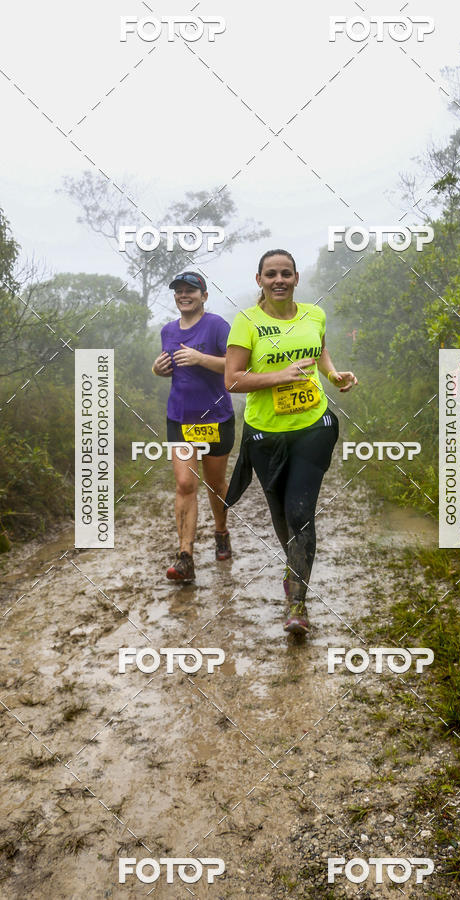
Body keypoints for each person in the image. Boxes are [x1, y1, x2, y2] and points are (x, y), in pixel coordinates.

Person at [224, 249, 357, 635]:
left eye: (285, 273)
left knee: (301, 513)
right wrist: (278, 377)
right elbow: (232, 379)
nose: (278, 280)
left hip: (313, 427)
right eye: (271, 274)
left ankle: (297, 603)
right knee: (281, 515)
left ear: (296, 278)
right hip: (265, 435)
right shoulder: (246, 321)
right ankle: (293, 566)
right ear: (259, 280)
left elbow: (321, 350)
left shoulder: (313, 314)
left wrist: (333, 375)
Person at [152, 271, 235, 582]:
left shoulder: (217, 326)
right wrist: (157, 369)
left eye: (191, 290)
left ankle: (221, 531)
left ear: (204, 296)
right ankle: (185, 555)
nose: (184, 295)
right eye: (179, 291)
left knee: (216, 484)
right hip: (180, 417)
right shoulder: (168, 331)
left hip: (215, 418)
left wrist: (201, 358)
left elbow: (234, 366)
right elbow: (168, 367)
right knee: (185, 484)